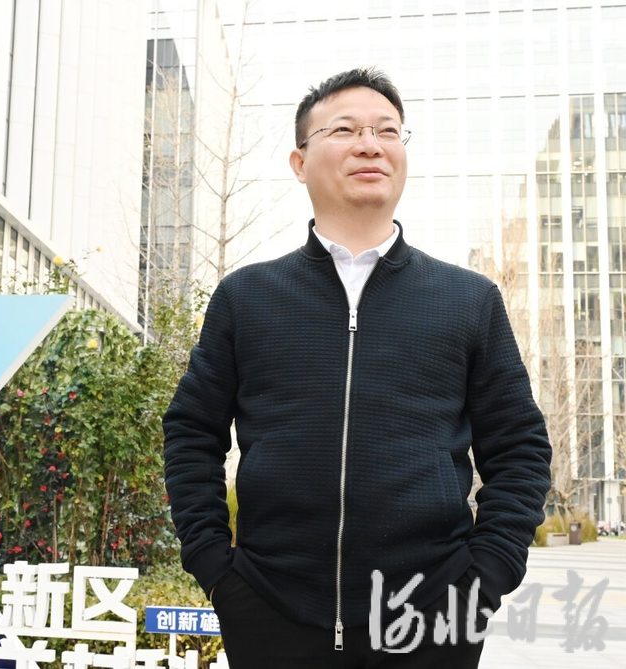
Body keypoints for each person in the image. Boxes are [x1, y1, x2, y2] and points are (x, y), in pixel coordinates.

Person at [162, 68, 552, 668]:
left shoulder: (467, 300)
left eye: (387, 131)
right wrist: (216, 568)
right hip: (271, 613)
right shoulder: (248, 298)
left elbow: (520, 446)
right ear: (299, 162)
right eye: (344, 130)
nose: (370, 144)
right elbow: (192, 431)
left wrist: (486, 575)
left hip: (433, 617)